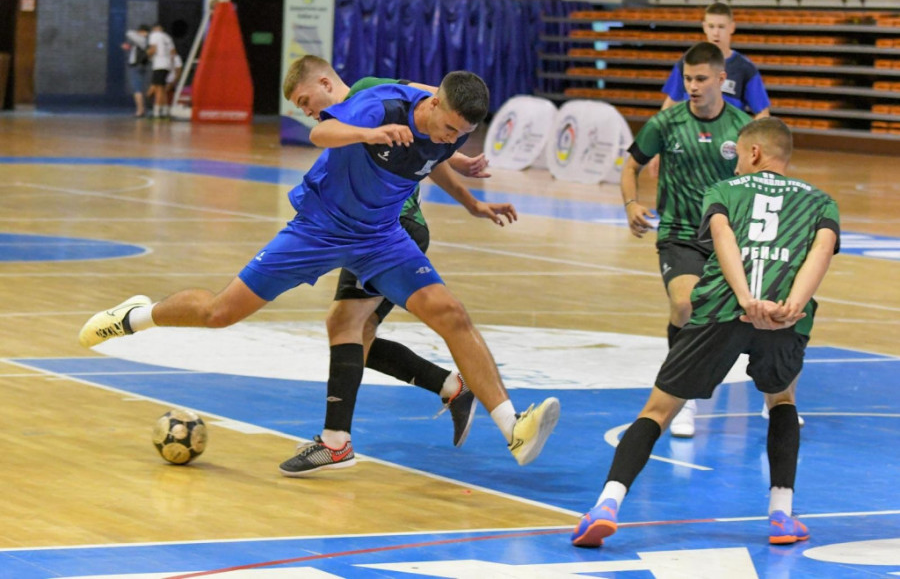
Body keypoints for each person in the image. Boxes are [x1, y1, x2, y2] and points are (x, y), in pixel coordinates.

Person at [79, 70, 561, 470]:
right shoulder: (382, 105)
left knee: (450, 313)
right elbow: (319, 134)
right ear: (434, 102)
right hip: (318, 230)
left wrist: (473, 204)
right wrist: (369, 134)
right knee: (220, 313)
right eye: (449, 127)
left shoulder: (445, 132)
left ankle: (513, 427)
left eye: (461, 134)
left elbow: (431, 160)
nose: (452, 139)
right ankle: (136, 316)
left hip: (381, 238)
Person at [572, 117, 840, 548]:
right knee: (782, 401)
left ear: (754, 153)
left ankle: (606, 505)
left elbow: (723, 240)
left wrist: (746, 299)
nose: (735, 165)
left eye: (738, 156)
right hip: (785, 319)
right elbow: (821, 251)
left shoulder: (724, 189)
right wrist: (790, 306)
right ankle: (781, 515)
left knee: (658, 411)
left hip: (721, 309)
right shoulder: (821, 200)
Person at [277, 56, 495, 475]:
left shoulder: (369, 93)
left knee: (346, 327)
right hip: (368, 233)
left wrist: (458, 155)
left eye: (305, 101)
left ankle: (336, 442)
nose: (305, 111)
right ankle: (450, 386)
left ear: (325, 83)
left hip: (391, 231)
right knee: (352, 333)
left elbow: (432, 98)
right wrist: (457, 162)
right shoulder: (352, 123)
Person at [621, 41, 753, 438]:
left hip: (730, 239)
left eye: (701, 79)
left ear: (721, 79)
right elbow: (631, 166)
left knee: (759, 316)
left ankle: (778, 399)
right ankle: (682, 398)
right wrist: (631, 203)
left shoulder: (742, 127)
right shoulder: (666, 123)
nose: (692, 86)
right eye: (688, 79)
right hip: (679, 234)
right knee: (684, 304)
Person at [661, 3, 770, 119]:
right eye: (711, 26)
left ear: (732, 27)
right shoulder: (687, 62)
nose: (716, 33)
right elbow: (670, 105)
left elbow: (763, 114)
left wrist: (747, 131)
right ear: (704, 27)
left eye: (721, 27)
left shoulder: (745, 68)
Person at [147, 23, 176, 118]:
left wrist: (146, 55)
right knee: (162, 88)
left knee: (158, 88)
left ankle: (157, 111)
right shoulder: (167, 37)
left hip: (159, 64)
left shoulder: (154, 35)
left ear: (154, 29)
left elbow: (153, 49)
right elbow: (173, 52)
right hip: (167, 64)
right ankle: (164, 110)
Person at [122, 25, 150, 117]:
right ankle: (141, 109)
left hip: (137, 66)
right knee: (138, 88)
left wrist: (138, 33)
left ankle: (140, 110)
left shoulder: (143, 39)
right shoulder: (141, 42)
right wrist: (130, 47)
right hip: (139, 66)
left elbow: (129, 33)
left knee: (137, 89)